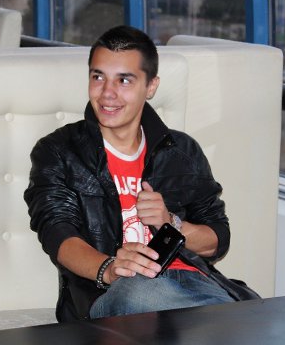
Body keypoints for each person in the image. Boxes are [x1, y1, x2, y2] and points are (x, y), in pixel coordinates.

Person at [24, 25, 233, 322]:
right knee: (141, 294)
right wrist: (109, 269)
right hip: (113, 290)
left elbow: (217, 239)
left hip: (192, 282)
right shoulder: (60, 151)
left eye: (124, 80)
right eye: (98, 77)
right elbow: (58, 233)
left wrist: (170, 223)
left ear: (151, 86)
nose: (107, 93)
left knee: (232, 312)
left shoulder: (181, 152)